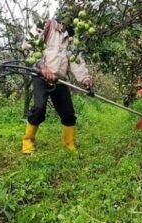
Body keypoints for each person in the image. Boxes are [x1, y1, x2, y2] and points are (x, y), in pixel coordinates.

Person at [21, 14, 93, 154]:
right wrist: (42, 67)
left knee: (68, 113)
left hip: (60, 80)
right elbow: (28, 47)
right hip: (41, 76)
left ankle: (69, 143)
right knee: (39, 108)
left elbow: (75, 61)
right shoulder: (45, 26)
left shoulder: (71, 37)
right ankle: (28, 140)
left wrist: (85, 78)